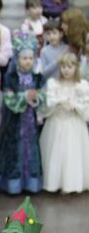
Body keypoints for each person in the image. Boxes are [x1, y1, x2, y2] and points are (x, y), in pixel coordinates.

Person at [0, 36, 44, 194]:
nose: (27, 61)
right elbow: (8, 98)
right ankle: (13, 183)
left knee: (31, 150)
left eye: (30, 58)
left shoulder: (37, 77)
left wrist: (37, 98)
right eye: (24, 58)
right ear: (17, 58)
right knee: (14, 149)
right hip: (14, 123)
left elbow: (43, 95)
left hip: (31, 123)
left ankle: (30, 183)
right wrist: (24, 97)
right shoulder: (11, 77)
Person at [40, 52, 89, 194]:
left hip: (74, 123)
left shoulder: (82, 86)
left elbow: (86, 107)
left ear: (76, 68)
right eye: (63, 67)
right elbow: (47, 105)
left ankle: (72, 182)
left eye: (70, 66)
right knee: (56, 152)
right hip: (56, 122)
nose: (66, 70)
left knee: (72, 153)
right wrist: (58, 102)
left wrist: (75, 105)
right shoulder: (53, 84)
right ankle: (55, 182)